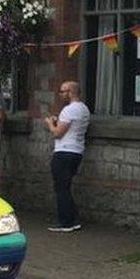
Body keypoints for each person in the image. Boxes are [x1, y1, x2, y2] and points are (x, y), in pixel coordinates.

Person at [43, 81, 90, 233]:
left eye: (63, 91)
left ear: (71, 92)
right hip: (77, 151)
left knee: (61, 188)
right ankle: (73, 218)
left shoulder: (69, 110)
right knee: (66, 187)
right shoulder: (84, 109)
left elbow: (57, 133)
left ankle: (65, 222)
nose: (61, 94)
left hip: (64, 151)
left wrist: (50, 123)